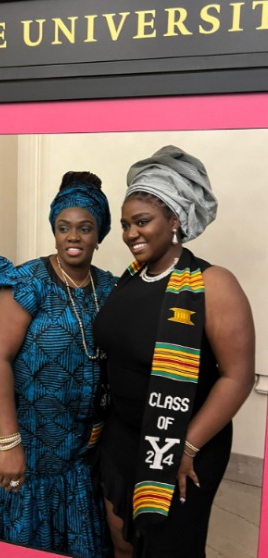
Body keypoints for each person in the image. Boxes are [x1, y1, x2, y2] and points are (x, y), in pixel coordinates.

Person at [93, 146, 255, 558]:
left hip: (182, 440)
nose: (131, 234)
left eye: (142, 222)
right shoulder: (130, 280)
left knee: (169, 548)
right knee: (122, 542)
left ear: (175, 220)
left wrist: (186, 447)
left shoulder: (213, 283)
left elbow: (237, 376)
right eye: (127, 224)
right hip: (122, 438)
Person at [0, 172, 114, 557]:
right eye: (63, 227)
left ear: (99, 234)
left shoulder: (109, 288)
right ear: (54, 230)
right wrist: (9, 443)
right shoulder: (27, 282)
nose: (73, 236)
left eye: (85, 228)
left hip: (82, 451)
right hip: (29, 447)